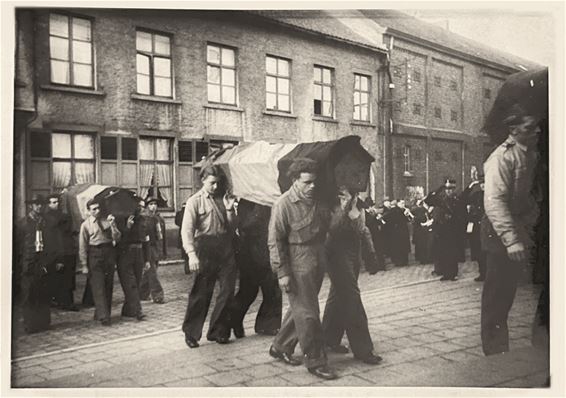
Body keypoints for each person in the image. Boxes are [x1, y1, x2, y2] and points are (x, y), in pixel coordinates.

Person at [268, 158, 337, 381]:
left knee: (300, 308)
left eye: (314, 182)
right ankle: (316, 360)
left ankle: (280, 346)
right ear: (295, 180)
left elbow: (327, 226)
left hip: (317, 256)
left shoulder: (318, 199)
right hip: (297, 260)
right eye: (307, 182)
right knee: (308, 313)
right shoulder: (283, 204)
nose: (312, 186)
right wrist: (283, 272)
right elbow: (275, 241)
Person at [480, 108, 541, 356]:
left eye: (536, 126)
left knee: (509, 293)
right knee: (497, 297)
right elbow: (494, 202)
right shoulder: (501, 158)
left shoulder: (531, 154)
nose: (537, 130)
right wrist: (512, 241)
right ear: (513, 131)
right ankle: (495, 356)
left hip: (520, 228)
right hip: (500, 233)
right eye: (529, 128)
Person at [322, 186, 383, 365]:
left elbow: (363, 229)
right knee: (352, 298)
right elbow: (333, 228)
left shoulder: (358, 202)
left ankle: (329, 338)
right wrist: (345, 207)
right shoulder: (332, 203)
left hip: (353, 253)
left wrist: (370, 254)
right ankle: (363, 349)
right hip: (337, 253)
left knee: (337, 296)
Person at [181, 165, 238, 347]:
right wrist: (191, 255)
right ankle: (191, 333)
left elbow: (232, 227)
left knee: (228, 290)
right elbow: (187, 230)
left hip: (225, 246)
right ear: (203, 180)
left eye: (217, 183)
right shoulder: (194, 201)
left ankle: (219, 331)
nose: (215, 187)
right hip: (205, 248)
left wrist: (229, 210)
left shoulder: (224, 199)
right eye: (212, 183)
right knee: (202, 293)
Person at [230, 199, 282, 338]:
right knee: (249, 291)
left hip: (264, 251)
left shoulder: (267, 200)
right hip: (252, 253)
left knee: (271, 290)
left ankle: (267, 326)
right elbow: (247, 225)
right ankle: (233, 320)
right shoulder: (248, 202)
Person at [16, 194, 59, 333]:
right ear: (31, 206)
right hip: (28, 263)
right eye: (36, 204)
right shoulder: (22, 223)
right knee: (28, 294)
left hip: (43, 262)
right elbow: (17, 246)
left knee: (43, 292)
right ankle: (30, 324)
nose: (39, 206)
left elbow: (53, 243)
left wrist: (51, 261)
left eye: (41, 204)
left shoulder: (48, 222)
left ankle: (43, 323)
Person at [78, 198, 121, 326]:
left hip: (108, 253)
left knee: (108, 285)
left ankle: (101, 312)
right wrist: (84, 265)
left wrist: (113, 225)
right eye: (93, 209)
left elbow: (117, 238)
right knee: (98, 285)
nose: (97, 211)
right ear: (89, 211)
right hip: (94, 254)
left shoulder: (107, 221)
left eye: (98, 208)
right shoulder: (85, 225)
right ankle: (104, 316)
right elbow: (82, 246)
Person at [43, 193, 79, 311]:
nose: (55, 204)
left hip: (66, 249)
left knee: (68, 278)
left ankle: (67, 302)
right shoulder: (47, 218)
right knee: (56, 277)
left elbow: (69, 232)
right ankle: (58, 301)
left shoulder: (65, 216)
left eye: (57, 202)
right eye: (53, 202)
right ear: (48, 204)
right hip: (54, 250)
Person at [427, 179, 466, 281]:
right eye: (447, 189)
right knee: (443, 252)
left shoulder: (457, 199)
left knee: (452, 253)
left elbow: (462, 214)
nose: (448, 191)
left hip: (453, 230)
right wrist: (440, 188)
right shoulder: (441, 200)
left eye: (451, 189)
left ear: (454, 189)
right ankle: (446, 274)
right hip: (443, 231)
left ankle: (453, 274)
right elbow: (429, 200)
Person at [115, 197, 147, 320]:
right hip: (125, 253)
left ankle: (127, 310)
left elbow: (146, 240)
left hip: (138, 253)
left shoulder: (143, 220)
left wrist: (147, 258)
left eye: (142, 207)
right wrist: (127, 227)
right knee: (131, 283)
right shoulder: (121, 219)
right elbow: (118, 240)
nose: (140, 209)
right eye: (138, 206)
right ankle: (138, 311)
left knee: (137, 281)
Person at [140, 197, 166, 304]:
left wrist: (162, 250)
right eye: (150, 204)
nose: (153, 206)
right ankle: (158, 295)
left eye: (155, 204)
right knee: (152, 272)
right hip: (147, 247)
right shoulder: (144, 218)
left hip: (155, 247)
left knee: (149, 272)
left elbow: (161, 236)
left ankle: (141, 294)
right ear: (147, 206)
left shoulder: (158, 218)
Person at [463, 176, 487, 282]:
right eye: (481, 183)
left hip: (488, 227)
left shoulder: (492, 194)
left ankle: (490, 274)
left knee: (488, 252)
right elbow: (463, 198)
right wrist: (470, 186)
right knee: (479, 252)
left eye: (485, 183)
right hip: (477, 228)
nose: (483, 185)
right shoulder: (477, 195)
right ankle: (482, 273)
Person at [383, 199, 411, 266]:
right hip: (397, 232)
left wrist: (407, 215)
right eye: (401, 203)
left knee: (404, 246)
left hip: (403, 231)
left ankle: (404, 261)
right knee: (398, 247)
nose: (403, 205)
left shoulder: (404, 210)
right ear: (398, 203)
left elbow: (408, 220)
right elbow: (388, 219)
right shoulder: (394, 211)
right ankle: (399, 261)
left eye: (404, 203)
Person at [174, 204, 190, 275]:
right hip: (189, 232)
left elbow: (176, 222)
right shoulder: (189, 212)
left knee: (184, 252)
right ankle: (189, 267)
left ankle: (186, 268)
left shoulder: (179, 213)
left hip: (181, 232)